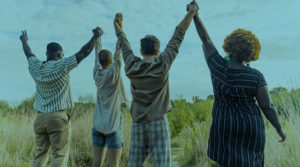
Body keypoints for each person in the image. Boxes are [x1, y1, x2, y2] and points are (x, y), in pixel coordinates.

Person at [190, 1, 286, 166]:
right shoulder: (256, 76)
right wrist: (279, 128)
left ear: (230, 46)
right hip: (250, 129)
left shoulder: (218, 67)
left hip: (224, 127)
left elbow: (206, 40)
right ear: (251, 53)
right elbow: (267, 106)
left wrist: (195, 15)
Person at [113, 2, 199, 166]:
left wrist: (117, 26)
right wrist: (191, 13)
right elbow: (178, 34)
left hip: (138, 124)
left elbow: (124, 44)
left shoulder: (131, 66)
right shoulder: (163, 64)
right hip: (158, 123)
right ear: (157, 51)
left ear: (140, 51)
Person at [19, 27, 103, 167]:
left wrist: (24, 41)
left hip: (40, 119)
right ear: (60, 54)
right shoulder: (62, 65)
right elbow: (84, 52)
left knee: (40, 154)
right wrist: (96, 36)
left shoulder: (35, 67)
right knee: (59, 155)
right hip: (58, 118)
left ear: (46, 53)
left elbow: (28, 53)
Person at [92, 30, 129, 167]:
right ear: (111, 61)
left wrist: (98, 38)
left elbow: (97, 55)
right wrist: (119, 29)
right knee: (113, 164)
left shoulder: (97, 74)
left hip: (98, 125)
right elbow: (118, 53)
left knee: (96, 164)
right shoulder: (114, 74)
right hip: (113, 126)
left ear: (100, 63)